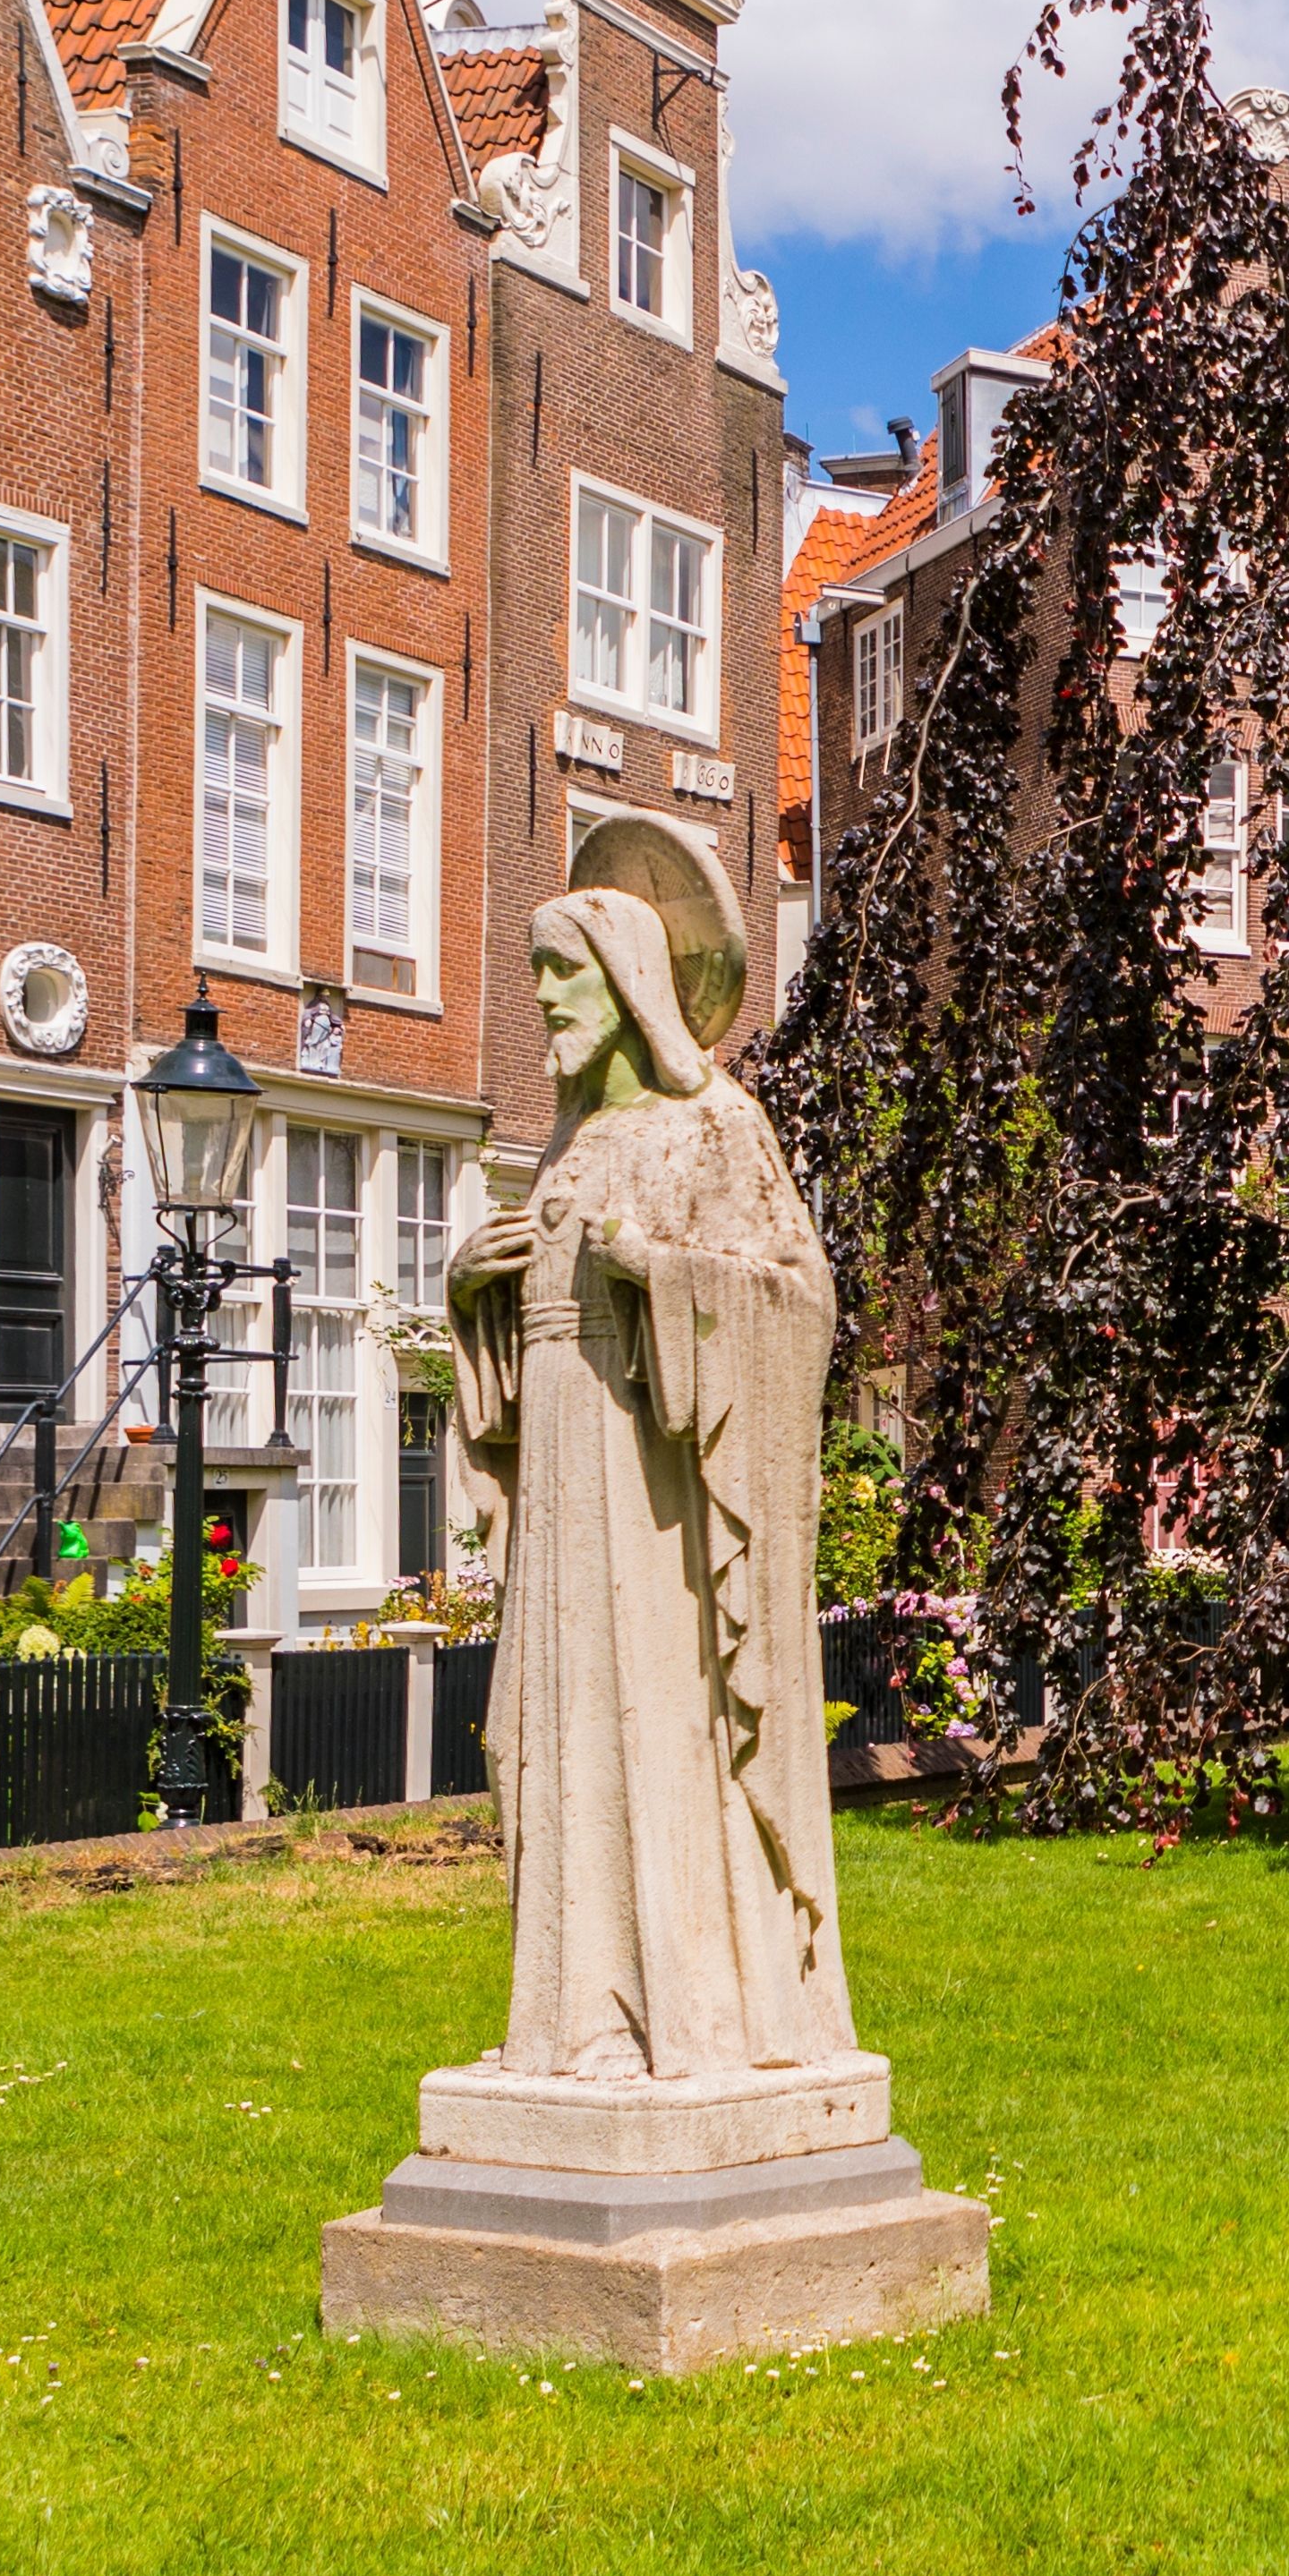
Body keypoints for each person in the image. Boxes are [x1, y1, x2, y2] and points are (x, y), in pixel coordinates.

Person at [441, 886, 851, 2085]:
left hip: (658, 1510)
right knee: (555, 1723)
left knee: (658, 1726)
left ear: (627, 981)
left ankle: (690, 2010)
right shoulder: (570, 1143)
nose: (542, 998)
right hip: (568, 1491)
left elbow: (798, 1304)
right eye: (534, 970)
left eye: (562, 970)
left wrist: (657, 1272)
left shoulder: (715, 1126)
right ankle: (576, 2016)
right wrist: (475, 1292)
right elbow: (531, 1351)